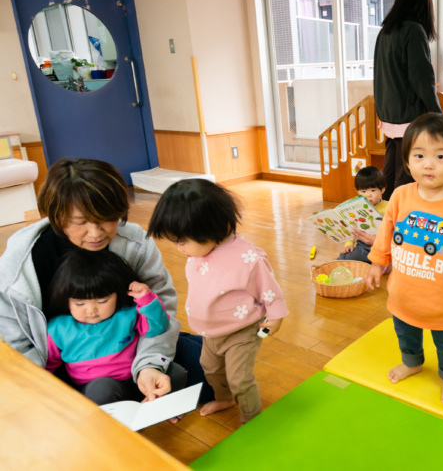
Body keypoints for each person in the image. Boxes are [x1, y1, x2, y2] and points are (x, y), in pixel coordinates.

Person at [0, 158, 197, 405]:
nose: (96, 233)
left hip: (128, 347)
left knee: (207, 366)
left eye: (107, 218)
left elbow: (161, 305)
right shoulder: (21, 264)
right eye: (81, 222)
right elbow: (16, 343)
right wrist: (44, 393)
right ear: (57, 216)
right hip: (68, 367)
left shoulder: (134, 242)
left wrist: (149, 364)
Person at [366, 113, 443, 405]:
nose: (428, 164)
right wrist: (376, 263)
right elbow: (386, 232)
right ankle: (412, 362)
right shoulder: (400, 195)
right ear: (407, 160)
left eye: (441, 156)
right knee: (405, 333)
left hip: (442, 300)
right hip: (402, 293)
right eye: (419, 155)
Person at [147, 179, 289, 424]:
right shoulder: (197, 252)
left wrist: (274, 319)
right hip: (210, 333)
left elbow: (270, 291)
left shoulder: (248, 258)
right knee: (210, 369)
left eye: (182, 241)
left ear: (211, 229)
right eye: (175, 241)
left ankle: (251, 418)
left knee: (239, 378)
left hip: (242, 331)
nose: (179, 248)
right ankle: (225, 398)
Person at [45, 249, 178, 405]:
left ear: (117, 294)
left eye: (102, 301)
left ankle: (151, 402)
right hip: (95, 390)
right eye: (80, 304)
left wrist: (146, 300)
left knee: (176, 374)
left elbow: (157, 328)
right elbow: (47, 365)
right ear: (66, 300)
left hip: (137, 379)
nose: (91, 310)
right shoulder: (58, 329)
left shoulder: (127, 315)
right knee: (103, 389)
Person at [374, 0, 442, 200]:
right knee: (406, 181)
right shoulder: (414, 31)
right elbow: (422, 80)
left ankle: (384, 228)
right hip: (409, 120)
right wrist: (438, 115)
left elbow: (381, 76)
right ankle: (399, 230)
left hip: (389, 117)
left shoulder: (385, 32)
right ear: (424, 2)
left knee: (389, 178)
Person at [337, 166, 388, 264]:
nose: (368, 195)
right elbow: (351, 228)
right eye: (363, 191)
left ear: (382, 190)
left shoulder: (389, 206)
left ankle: (376, 262)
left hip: (382, 247)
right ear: (358, 191)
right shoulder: (356, 207)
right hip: (363, 246)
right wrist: (349, 244)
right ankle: (371, 262)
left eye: (373, 190)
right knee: (344, 256)